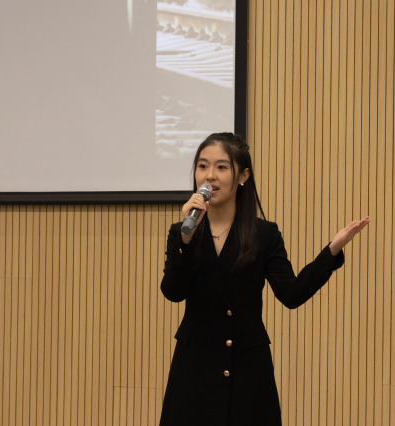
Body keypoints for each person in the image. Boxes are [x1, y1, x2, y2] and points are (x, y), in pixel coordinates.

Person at [159, 132, 370, 426]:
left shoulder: (263, 233)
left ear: (243, 175)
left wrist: (331, 252)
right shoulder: (182, 231)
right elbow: (173, 291)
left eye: (221, 167)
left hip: (247, 368)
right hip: (195, 368)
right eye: (202, 166)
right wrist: (186, 239)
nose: (209, 176)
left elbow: (291, 294)